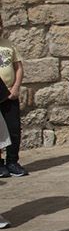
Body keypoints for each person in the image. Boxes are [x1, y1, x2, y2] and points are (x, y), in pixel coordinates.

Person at [0, 19, 25, 177]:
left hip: (10, 94)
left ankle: (12, 161)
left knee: (14, 129)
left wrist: (15, 88)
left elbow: (19, 67)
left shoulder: (9, 45)